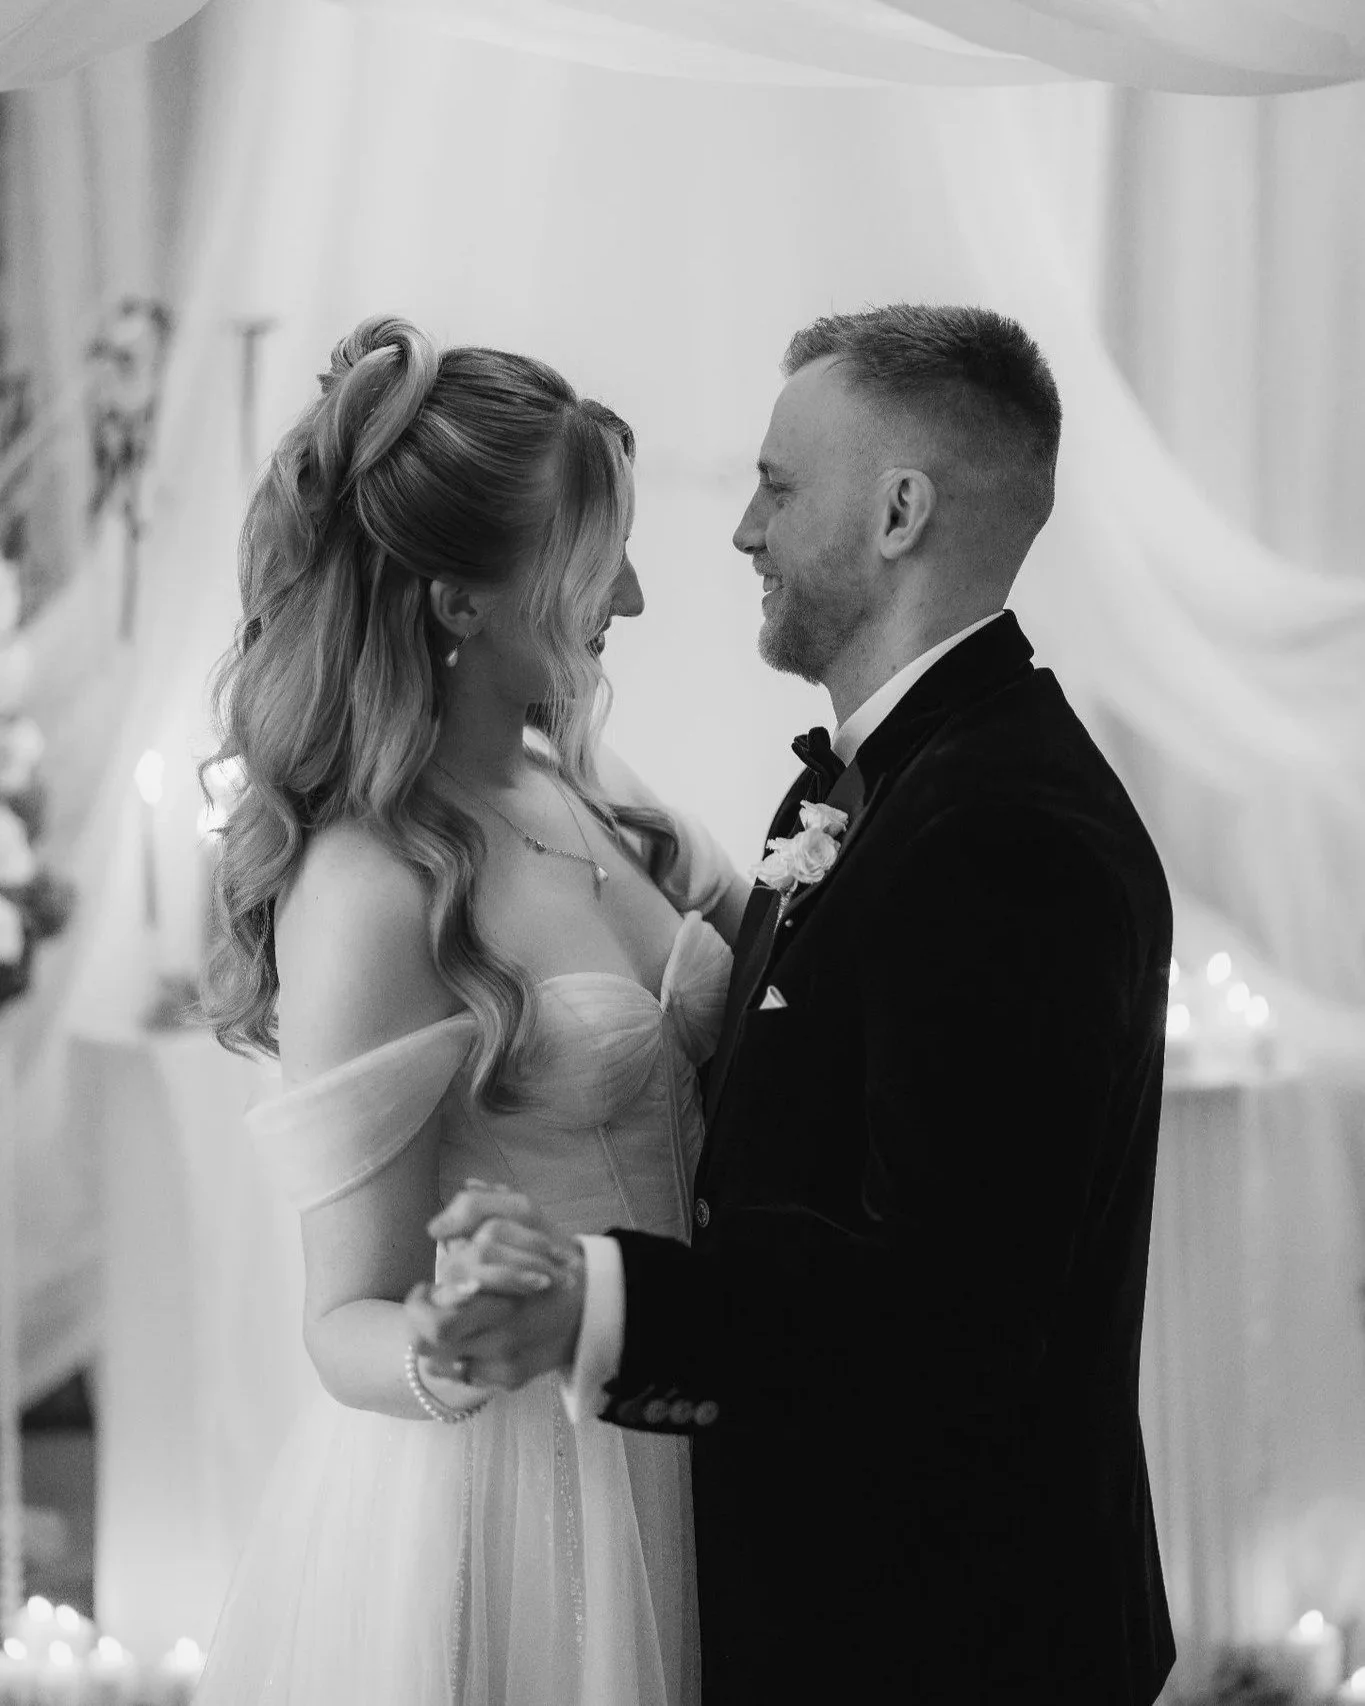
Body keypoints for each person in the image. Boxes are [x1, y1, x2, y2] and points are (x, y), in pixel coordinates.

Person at [408, 303, 1179, 1705]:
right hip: (832, 1605)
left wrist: (602, 1298)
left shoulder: (1010, 835)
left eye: (777, 488)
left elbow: (945, 1308)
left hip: (952, 1640)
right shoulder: (862, 786)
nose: (744, 533)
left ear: (899, 514)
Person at [191, 315, 749, 1705]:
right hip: (521, 1498)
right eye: (592, 554)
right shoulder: (370, 882)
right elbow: (345, 1320)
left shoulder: (588, 790)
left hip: (680, 1413)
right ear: (459, 603)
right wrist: (441, 1341)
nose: (628, 594)